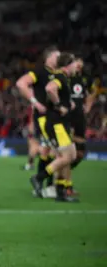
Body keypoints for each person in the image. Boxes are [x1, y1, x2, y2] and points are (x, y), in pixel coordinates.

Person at [29, 53, 79, 202]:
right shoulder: (60, 77)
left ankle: (60, 191)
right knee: (67, 156)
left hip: (59, 123)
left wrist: (68, 103)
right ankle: (39, 178)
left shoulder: (62, 77)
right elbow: (50, 89)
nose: (77, 66)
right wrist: (58, 105)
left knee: (70, 156)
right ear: (68, 65)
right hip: (57, 124)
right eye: (75, 64)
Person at [15, 46, 60, 197]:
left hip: (56, 116)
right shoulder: (40, 72)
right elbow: (21, 83)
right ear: (48, 58)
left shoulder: (59, 74)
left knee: (48, 151)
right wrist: (35, 102)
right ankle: (47, 185)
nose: (59, 59)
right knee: (54, 151)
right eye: (56, 56)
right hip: (45, 118)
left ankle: (42, 186)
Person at [64, 58, 97, 195]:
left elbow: (93, 91)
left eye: (80, 64)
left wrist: (88, 106)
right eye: (76, 63)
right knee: (68, 153)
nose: (78, 66)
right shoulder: (64, 77)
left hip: (80, 118)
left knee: (80, 153)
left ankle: (58, 172)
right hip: (66, 118)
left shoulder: (85, 78)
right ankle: (66, 185)